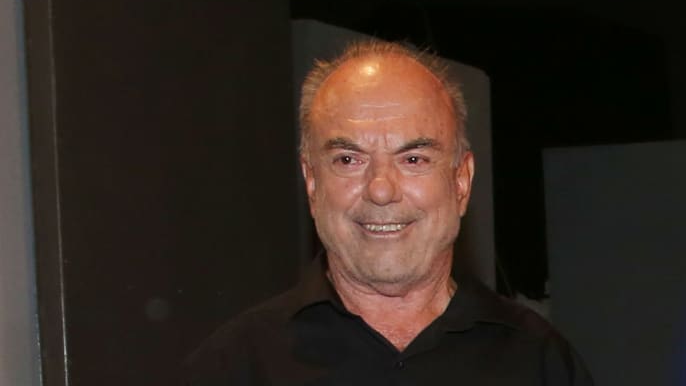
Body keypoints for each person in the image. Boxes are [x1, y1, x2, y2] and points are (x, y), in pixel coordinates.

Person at [183, 40, 594, 385]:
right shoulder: (234, 367)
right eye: (348, 160)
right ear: (311, 183)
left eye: (413, 159)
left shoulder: (540, 363)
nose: (381, 189)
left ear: (461, 181)